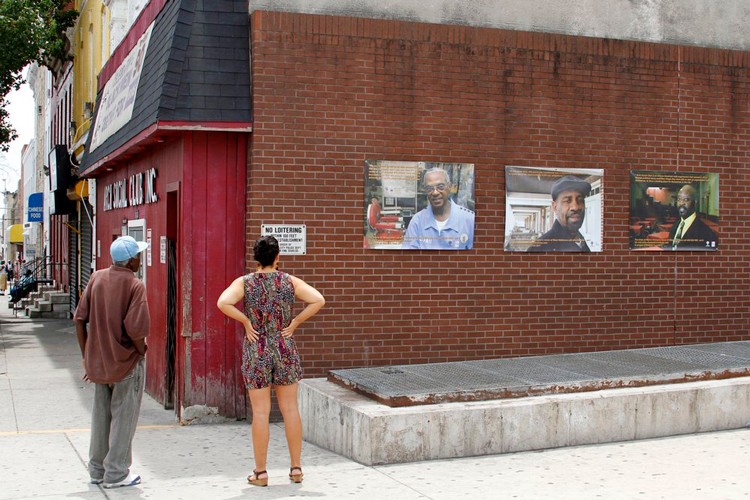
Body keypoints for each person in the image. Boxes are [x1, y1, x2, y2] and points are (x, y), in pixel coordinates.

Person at [217, 236, 325, 487]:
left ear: (256, 258)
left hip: (257, 348)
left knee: (261, 412)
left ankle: (261, 473)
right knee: (290, 409)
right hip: (284, 345)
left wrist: (246, 321)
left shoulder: (245, 283)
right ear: (277, 257)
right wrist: (295, 322)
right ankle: (296, 469)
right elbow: (318, 299)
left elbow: (223, 302)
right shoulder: (289, 281)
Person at [73, 235, 150, 489]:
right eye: (138, 255)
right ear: (131, 261)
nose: (140, 259)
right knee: (123, 418)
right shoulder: (135, 284)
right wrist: (142, 351)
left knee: (100, 417)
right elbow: (136, 330)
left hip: (99, 364)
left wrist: (87, 358)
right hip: (126, 364)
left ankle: (96, 470)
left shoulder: (96, 277)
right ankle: (116, 473)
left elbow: (78, 319)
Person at [402, 167, 474, 249]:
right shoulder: (417, 221)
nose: (435, 192)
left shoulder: (469, 219)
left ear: (449, 186)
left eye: (440, 186)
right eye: (429, 189)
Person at [528, 175, 593, 252]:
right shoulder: (538, 249)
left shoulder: (580, 241)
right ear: (555, 207)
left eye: (580, 200)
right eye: (567, 201)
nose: (575, 207)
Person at [666, 184, 718, 250]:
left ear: (695, 202)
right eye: (679, 199)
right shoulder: (675, 226)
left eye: (686, 199)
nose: (681, 203)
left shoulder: (706, 233)